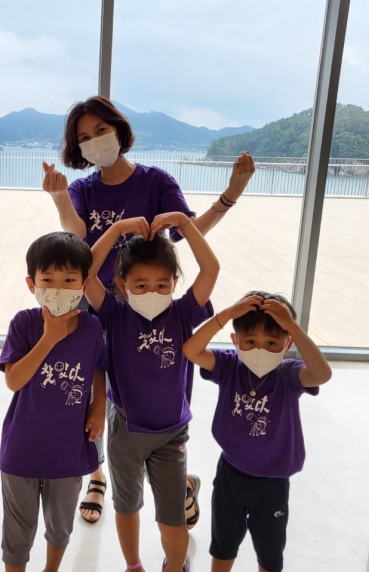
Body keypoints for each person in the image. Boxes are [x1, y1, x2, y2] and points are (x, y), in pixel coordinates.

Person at [42, 95, 255, 525]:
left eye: (101, 130)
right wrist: (61, 197)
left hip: (151, 307)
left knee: (157, 388)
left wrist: (230, 195)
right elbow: (77, 233)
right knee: (91, 391)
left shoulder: (155, 181)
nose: (94, 140)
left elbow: (186, 229)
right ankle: (98, 474)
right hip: (101, 303)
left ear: (119, 130)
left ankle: (177, 479)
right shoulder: (84, 189)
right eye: (84, 137)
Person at [84, 213, 219, 572]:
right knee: (127, 507)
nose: (152, 292)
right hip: (125, 431)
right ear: (121, 285)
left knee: (171, 521)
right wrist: (116, 230)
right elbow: (86, 275)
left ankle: (175, 569)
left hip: (172, 433)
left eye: (162, 284)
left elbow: (211, 269)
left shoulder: (183, 313)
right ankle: (134, 571)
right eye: (140, 285)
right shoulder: (114, 314)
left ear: (174, 283)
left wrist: (183, 224)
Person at [183, 292, 332, 572]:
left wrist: (293, 325)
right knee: (223, 541)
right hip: (231, 473)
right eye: (250, 341)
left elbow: (322, 374)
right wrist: (226, 314)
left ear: (287, 343)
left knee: (269, 549)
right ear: (236, 341)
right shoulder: (229, 366)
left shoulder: (289, 375)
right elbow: (191, 350)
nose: (260, 350)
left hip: (272, 483)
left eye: (272, 342)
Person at [0, 232, 107, 572]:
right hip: (22, 449)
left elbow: (99, 366)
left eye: (69, 280)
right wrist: (49, 337)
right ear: (32, 283)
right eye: (48, 280)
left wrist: (99, 403)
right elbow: (13, 380)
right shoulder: (25, 324)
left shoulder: (92, 327)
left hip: (69, 450)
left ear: (84, 284)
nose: (58, 289)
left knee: (60, 526)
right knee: (19, 531)